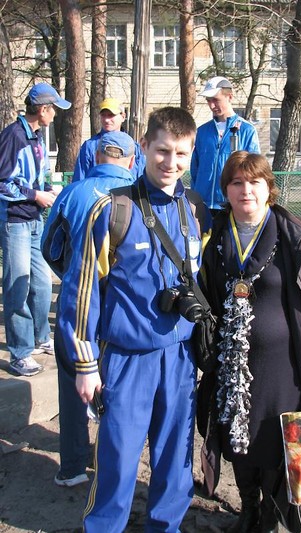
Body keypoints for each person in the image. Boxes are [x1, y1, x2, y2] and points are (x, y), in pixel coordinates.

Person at [57, 107, 212, 532]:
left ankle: (166, 527)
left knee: (175, 460)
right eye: (162, 150)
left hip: (180, 357)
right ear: (143, 147)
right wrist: (85, 364)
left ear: (191, 154)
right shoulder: (113, 210)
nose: (171, 162)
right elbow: (81, 292)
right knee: (118, 460)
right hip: (127, 359)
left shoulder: (196, 210)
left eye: (181, 154)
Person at [197, 151, 301, 533]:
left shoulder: (294, 235)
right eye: (237, 183)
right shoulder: (215, 236)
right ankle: (247, 509)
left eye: (254, 182)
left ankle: (269, 517)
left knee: (276, 443)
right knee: (237, 441)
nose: (246, 190)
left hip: (285, 368)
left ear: (268, 188)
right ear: (226, 190)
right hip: (233, 367)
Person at [41, 131, 137, 487]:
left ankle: (73, 467)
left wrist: (71, 276)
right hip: (122, 311)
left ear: (95, 158)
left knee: (72, 382)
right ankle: (113, 464)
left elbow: (49, 247)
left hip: (76, 307)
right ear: (132, 161)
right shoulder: (139, 196)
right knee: (120, 386)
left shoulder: (72, 193)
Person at [0, 82, 71, 377]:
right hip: (14, 221)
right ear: (42, 109)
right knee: (17, 286)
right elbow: (3, 183)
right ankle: (20, 352)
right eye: (53, 109)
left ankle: (42, 338)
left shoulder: (37, 136)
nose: (55, 114)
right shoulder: (13, 136)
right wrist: (35, 195)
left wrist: (49, 191)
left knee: (41, 284)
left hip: (35, 220)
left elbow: (39, 174)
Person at [190, 76, 260, 213]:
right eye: (208, 101)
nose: (212, 106)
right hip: (202, 206)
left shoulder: (246, 130)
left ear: (230, 97)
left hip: (231, 206)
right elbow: (195, 170)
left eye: (216, 100)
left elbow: (254, 171)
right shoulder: (202, 132)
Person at [72, 97, 145, 182]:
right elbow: (79, 180)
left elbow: (142, 179)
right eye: (103, 115)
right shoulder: (89, 147)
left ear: (123, 117)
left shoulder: (135, 148)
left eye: (111, 115)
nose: (106, 120)